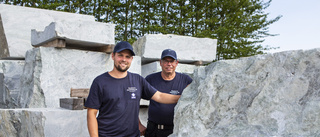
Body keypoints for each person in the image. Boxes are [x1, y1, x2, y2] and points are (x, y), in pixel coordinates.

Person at [85, 41, 181, 137]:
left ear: (131, 59)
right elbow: (91, 113)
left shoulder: (137, 80)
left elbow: (159, 96)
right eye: (120, 55)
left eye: (127, 57)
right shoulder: (100, 82)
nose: (124, 59)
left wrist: (182, 97)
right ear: (113, 56)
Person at [143, 49, 193, 137]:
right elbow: (133, 100)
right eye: (166, 61)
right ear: (160, 62)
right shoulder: (150, 80)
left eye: (172, 61)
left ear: (176, 63)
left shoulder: (186, 80)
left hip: (176, 130)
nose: (169, 64)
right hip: (154, 130)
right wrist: (138, 123)